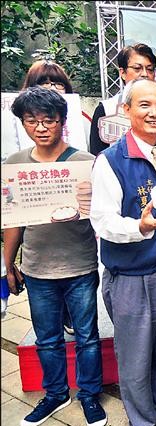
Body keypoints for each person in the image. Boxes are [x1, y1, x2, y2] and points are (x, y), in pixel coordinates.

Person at [90, 79, 156, 426]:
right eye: (145, 105)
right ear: (127, 110)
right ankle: (141, 421)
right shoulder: (111, 160)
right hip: (130, 275)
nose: (154, 113)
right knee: (134, 353)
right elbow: (103, 222)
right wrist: (142, 226)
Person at [4, 87, 106, 426]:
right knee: (47, 338)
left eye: (49, 119)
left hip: (80, 264)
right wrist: (8, 264)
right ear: (23, 123)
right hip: (36, 266)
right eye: (32, 120)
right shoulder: (15, 164)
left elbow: (101, 218)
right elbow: (13, 220)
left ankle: (89, 394)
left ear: (62, 122)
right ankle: (56, 393)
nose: (41, 127)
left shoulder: (85, 163)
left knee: (87, 336)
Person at [21, 59, 79, 335]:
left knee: (86, 334)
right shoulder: (17, 156)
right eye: (45, 83)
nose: (53, 89)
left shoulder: (79, 150)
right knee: (47, 336)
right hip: (38, 251)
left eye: (58, 84)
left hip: (77, 252)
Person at [89, 43, 156, 156]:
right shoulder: (106, 110)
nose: (145, 74)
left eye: (150, 69)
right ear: (122, 73)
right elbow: (97, 156)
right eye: (137, 68)